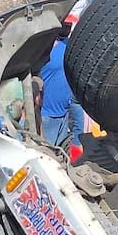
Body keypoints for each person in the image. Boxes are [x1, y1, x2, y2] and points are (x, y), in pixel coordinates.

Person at [39, 22, 84, 150]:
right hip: (46, 115)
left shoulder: (70, 47)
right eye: (65, 25)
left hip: (63, 114)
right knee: (48, 154)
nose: (67, 29)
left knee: (59, 153)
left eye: (69, 26)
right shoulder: (44, 50)